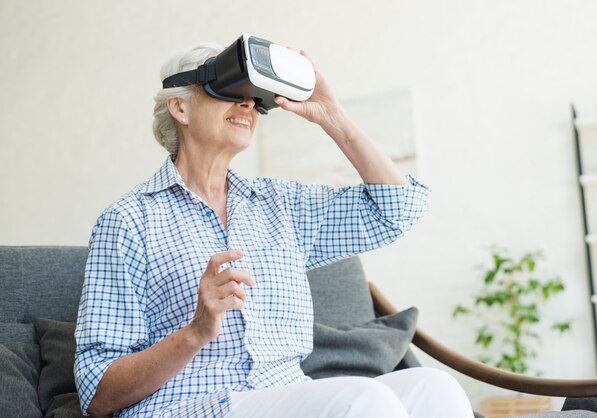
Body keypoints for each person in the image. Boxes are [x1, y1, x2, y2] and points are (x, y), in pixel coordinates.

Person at [74, 42, 473, 418]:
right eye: (230, 89)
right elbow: (98, 395)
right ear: (180, 107)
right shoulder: (128, 220)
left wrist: (333, 115)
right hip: (190, 405)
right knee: (363, 399)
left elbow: (398, 209)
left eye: (254, 95)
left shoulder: (283, 205)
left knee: (435, 388)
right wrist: (196, 331)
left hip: (285, 396)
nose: (248, 102)